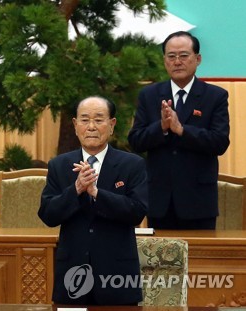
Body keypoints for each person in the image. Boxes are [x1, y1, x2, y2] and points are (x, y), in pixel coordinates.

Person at [38, 96, 147, 305]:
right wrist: (77, 189)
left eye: (98, 120)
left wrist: (97, 193)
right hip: (72, 274)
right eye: (85, 120)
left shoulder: (132, 165)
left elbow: (136, 212)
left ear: (112, 124)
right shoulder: (59, 165)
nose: (91, 127)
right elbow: (48, 215)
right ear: (75, 125)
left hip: (117, 275)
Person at [128, 31, 230, 230]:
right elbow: (136, 140)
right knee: (158, 260)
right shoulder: (149, 95)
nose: (177, 62)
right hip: (159, 201)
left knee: (199, 259)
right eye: (171, 56)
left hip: (198, 201)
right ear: (164, 60)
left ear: (197, 59)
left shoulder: (215, 96)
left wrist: (182, 130)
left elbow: (219, 142)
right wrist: (162, 128)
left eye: (184, 56)